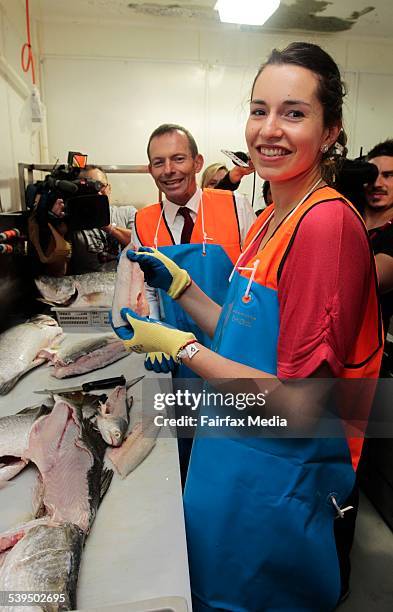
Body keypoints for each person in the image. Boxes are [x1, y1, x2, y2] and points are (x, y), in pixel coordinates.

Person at [114, 43, 383, 610]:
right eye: (259, 110)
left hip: (273, 484)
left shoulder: (325, 225)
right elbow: (239, 329)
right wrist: (182, 289)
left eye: (294, 112)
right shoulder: (271, 218)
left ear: (331, 129)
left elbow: (301, 406)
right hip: (230, 460)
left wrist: (182, 348)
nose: (269, 129)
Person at [132, 124, 255, 363]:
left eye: (178, 159)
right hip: (177, 351)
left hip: (232, 347)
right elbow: (147, 291)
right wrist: (156, 332)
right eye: (159, 162)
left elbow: (255, 280)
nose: (168, 170)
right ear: (150, 169)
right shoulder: (143, 221)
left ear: (197, 163)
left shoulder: (236, 206)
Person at [43, 165, 137, 275]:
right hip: (88, 289)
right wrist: (59, 233)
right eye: (89, 187)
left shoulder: (127, 213)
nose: (96, 192)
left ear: (109, 188)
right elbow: (57, 273)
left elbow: (141, 246)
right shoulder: (72, 221)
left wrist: (105, 224)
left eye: (99, 185)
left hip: (126, 286)